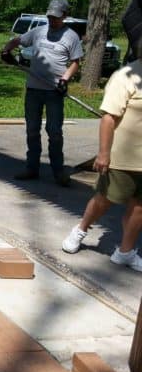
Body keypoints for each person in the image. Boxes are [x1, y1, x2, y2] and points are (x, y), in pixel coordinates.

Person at [61, 57, 142, 271]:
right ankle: (81, 229)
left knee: (139, 208)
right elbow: (108, 118)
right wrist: (104, 153)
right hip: (123, 157)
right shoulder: (125, 76)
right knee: (104, 199)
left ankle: (125, 252)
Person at [1, 0, 83, 186]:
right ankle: (32, 168)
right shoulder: (38, 32)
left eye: (56, 17)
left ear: (64, 16)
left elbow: (75, 62)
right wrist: (6, 51)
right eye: (50, 17)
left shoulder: (71, 36)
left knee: (54, 132)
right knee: (32, 130)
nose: (52, 20)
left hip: (54, 91)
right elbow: (17, 40)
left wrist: (65, 79)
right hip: (33, 90)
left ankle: (58, 172)